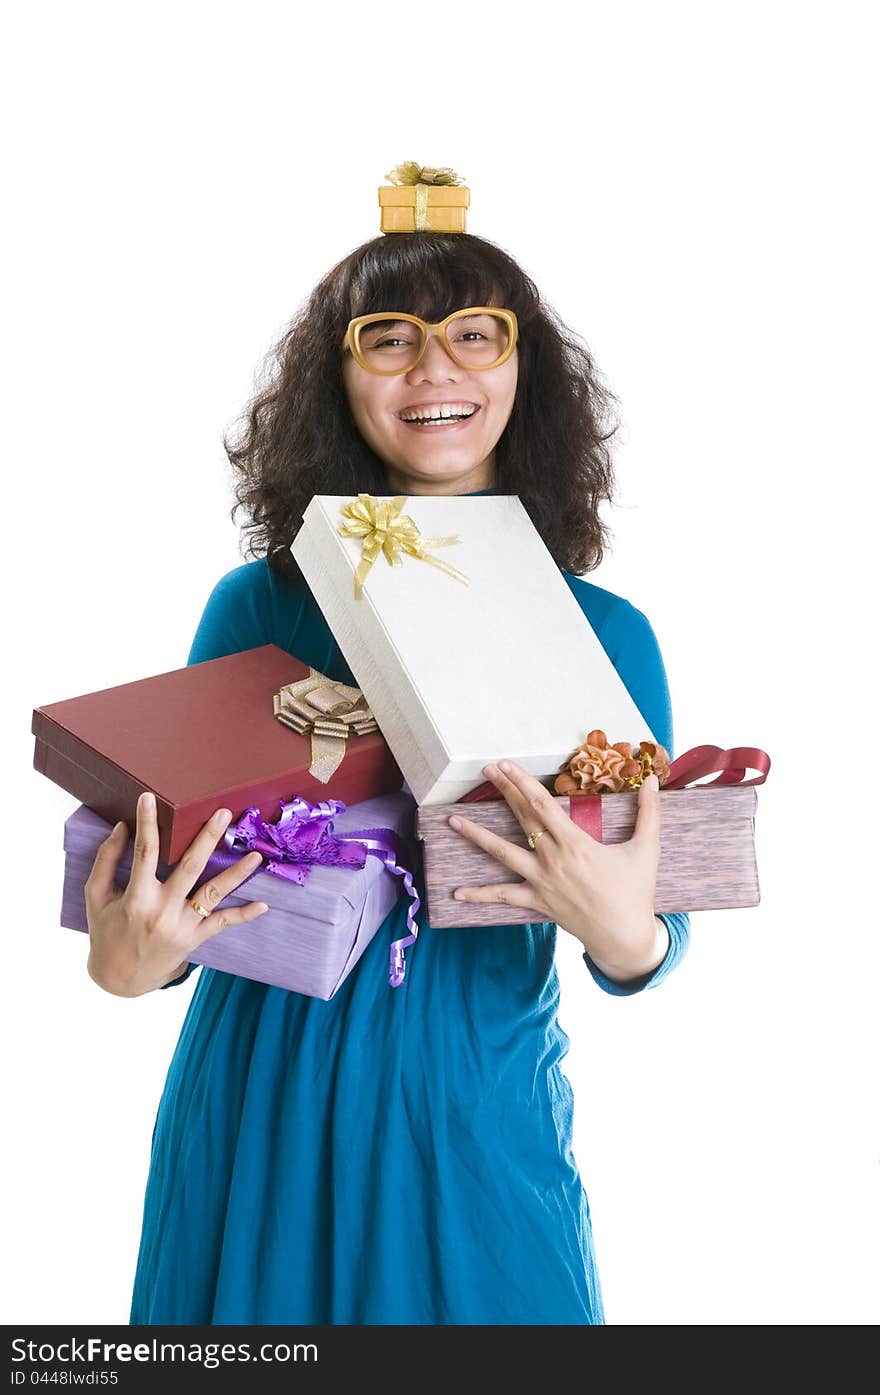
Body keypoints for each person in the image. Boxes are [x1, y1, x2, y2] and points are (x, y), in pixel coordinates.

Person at [84, 168, 690, 1325]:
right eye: (389, 341)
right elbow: (168, 898)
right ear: (337, 380)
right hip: (261, 1103)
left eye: (474, 334)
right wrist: (126, 965)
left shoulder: (608, 636)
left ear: (525, 373)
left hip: (478, 1111)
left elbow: (658, 923)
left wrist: (623, 931)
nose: (435, 371)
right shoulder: (258, 607)